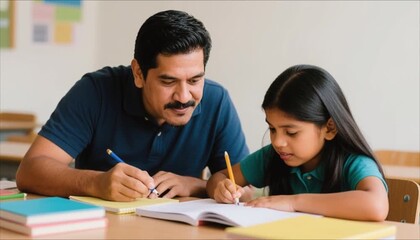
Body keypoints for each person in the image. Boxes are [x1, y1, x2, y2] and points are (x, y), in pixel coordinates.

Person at [16, 10, 249, 201]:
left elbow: (247, 191)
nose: (184, 96)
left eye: (195, 80)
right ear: (138, 73)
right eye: (168, 81)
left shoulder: (216, 101)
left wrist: (194, 185)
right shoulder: (95, 91)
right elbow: (30, 171)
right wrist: (97, 183)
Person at [207, 64, 389, 221]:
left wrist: (293, 202)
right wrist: (220, 188)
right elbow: (218, 177)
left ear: (330, 128)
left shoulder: (353, 162)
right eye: (272, 129)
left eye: (291, 132)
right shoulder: (273, 156)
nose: (278, 142)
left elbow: (377, 205)